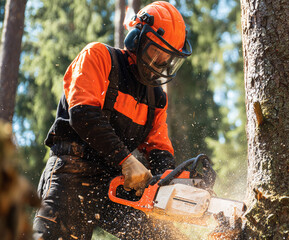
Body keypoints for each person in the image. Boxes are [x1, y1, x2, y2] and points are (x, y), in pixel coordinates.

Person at [32, 1, 192, 239]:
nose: (158, 62)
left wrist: (177, 182)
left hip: (113, 183)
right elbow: (83, 114)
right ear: (137, 39)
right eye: (154, 51)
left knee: (162, 235)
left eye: (165, 57)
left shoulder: (156, 98)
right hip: (72, 173)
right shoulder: (99, 57)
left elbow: (159, 150)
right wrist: (127, 161)